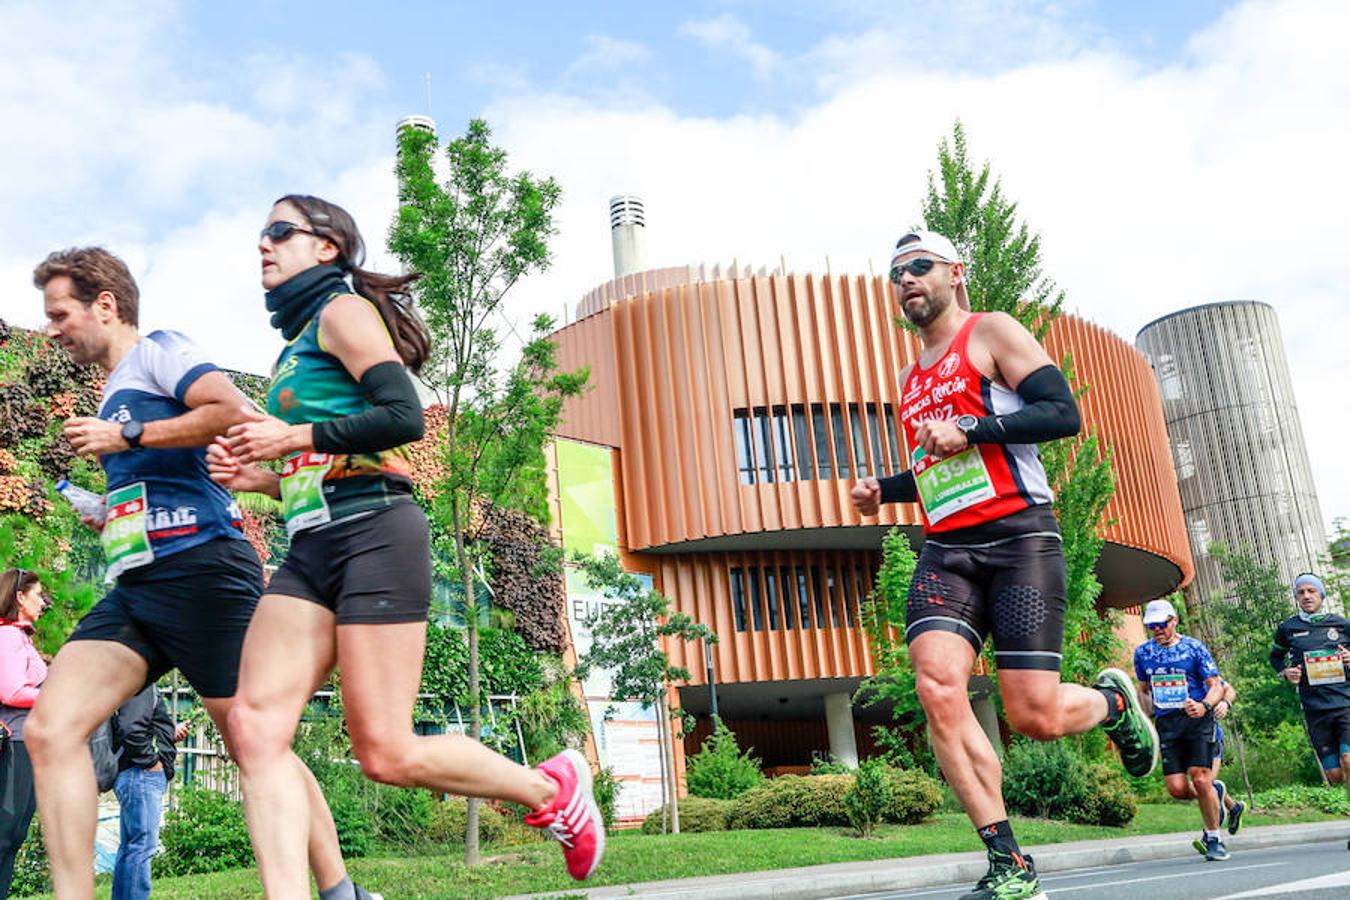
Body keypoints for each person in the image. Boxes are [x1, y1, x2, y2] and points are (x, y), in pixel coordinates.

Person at [208, 195, 603, 898]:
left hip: (374, 533)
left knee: (384, 752)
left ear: (327, 247)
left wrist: (291, 437)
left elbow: (402, 419)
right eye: (260, 235)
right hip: (311, 544)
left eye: (278, 231)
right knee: (252, 726)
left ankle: (549, 788)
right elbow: (327, 459)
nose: (262, 246)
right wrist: (264, 479)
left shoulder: (342, 312)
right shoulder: (296, 343)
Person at [25, 247, 371, 900]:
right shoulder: (114, 390)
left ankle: (338, 890)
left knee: (254, 744)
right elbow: (160, 483)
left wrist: (125, 439)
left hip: (206, 572)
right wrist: (110, 510)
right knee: (51, 728)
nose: (52, 328)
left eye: (60, 313)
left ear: (106, 304)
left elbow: (231, 410)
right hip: (138, 587)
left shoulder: (158, 350)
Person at [850, 230, 1157, 899]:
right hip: (947, 549)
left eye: (919, 266)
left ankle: (1111, 705)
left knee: (1032, 715)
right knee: (937, 688)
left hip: (1020, 541)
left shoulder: (991, 333)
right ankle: (1009, 864)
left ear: (955, 272)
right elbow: (941, 465)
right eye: (895, 272)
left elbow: (1062, 414)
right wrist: (887, 487)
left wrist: (972, 428)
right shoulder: (909, 380)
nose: (906, 280)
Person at [1132, 598, 1230, 861]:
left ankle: (1214, 838)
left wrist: (1204, 705)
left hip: (1198, 719)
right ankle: (1213, 792)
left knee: (1200, 778)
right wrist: (1142, 718)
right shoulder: (1143, 653)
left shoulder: (1193, 648)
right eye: (1152, 626)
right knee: (1176, 788)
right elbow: (1144, 691)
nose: (1158, 630)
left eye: (1162, 624)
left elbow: (1216, 685)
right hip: (1168, 724)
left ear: (1174, 620)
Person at [1270, 572, 1350, 834]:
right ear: (1296, 597)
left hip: (1345, 703)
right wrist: (1285, 673)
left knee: (1349, 760)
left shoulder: (1341, 624)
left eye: (1311, 591)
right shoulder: (1288, 629)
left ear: (1321, 595)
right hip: (1315, 710)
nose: (1305, 596)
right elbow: (1275, 657)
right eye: (1301, 592)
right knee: (1335, 776)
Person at [109, 684, 187, 900]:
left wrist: (167, 736)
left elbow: (138, 725)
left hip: (133, 774)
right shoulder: (139, 683)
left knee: (130, 848)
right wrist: (152, 762)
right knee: (142, 848)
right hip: (140, 775)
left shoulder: (128, 684)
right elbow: (131, 728)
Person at [0, 569, 49, 897]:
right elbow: (12, 691)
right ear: (19, 597)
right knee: (6, 834)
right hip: (14, 745)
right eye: (37, 594)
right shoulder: (7, 637)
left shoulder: (21, 637)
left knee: (13, 836)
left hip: (26, 743)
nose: (43, 602)